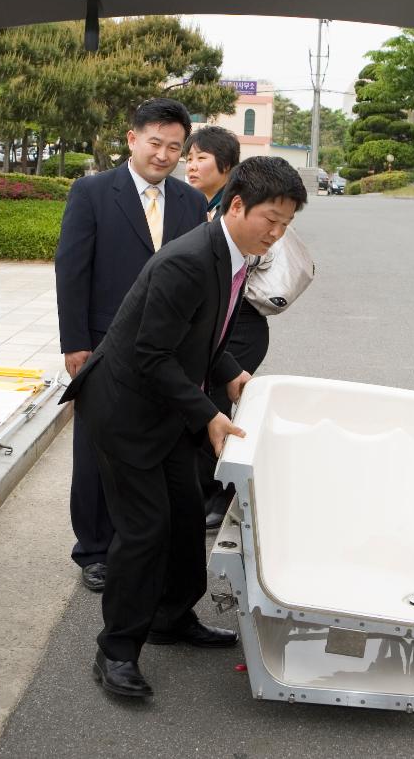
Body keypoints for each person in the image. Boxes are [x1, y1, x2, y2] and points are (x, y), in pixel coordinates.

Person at [61, 156, 307, 698]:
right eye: (270, 218)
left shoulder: (234, 254)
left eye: (287, 223)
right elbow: (151, 354)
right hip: (125, 409)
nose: (276, 232)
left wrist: (231, 374)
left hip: (166, 407)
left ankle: (172, 617)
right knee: (145, 531)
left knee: (185, 516)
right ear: (236, 204)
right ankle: (117, 650)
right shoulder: (190, 259)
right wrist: (209, 414)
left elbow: (204, 332)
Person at [55, 98, 207, 593]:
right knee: (96, 446)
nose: (163, 155)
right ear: (132, 139)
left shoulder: (190, 202)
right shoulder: (93, 191)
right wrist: (75, 342)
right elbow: (72, 269)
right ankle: (94, 550)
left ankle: (137, 538)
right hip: (103, 343)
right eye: (155, 143)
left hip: (167, 349)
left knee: (156, 442)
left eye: (174, 147)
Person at [184, 126, 262, 528]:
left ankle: (222, 493)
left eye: (201, 158)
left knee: (215, 405)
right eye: (190, 157)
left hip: (241, 324)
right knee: (207, 404)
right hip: (215, 325)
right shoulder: (196, 205)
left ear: (227, 166)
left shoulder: (235, 211)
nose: (190, 165)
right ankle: (209, 490)